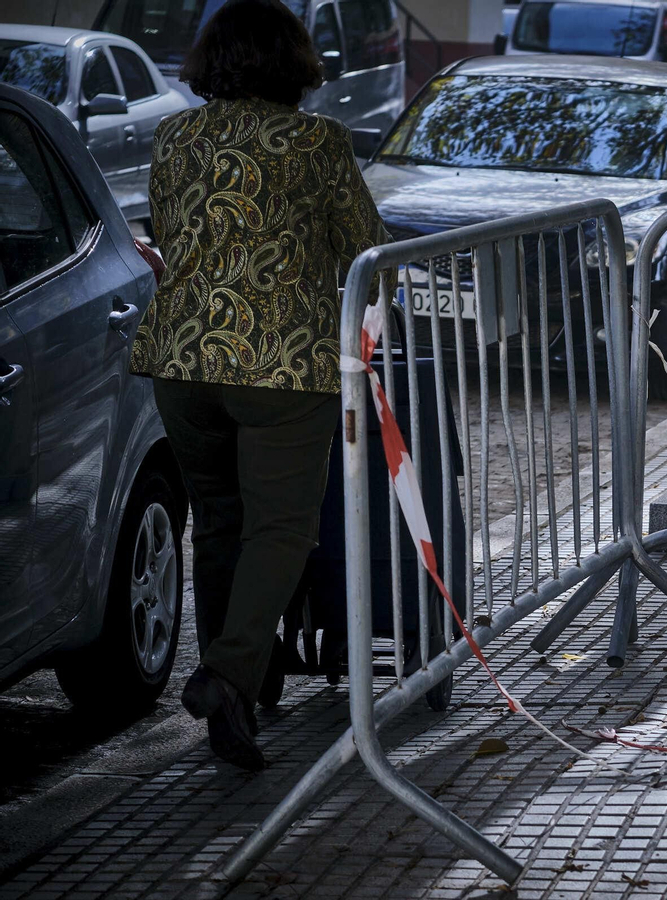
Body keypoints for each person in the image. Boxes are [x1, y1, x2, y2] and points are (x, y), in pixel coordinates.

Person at [131, 0, 385, 770]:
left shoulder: (174, 136)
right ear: (294, 63)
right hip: (283, 366)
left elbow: (169, 232)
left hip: (182, 362)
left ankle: (231, 708)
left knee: (215, 524)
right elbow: (366, 250)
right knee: (281, 530)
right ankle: (228, 675)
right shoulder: (318, 142)